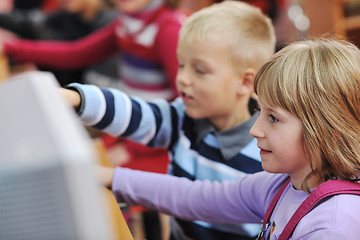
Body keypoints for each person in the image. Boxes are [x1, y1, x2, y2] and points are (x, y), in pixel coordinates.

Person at [67, 38, 360, 239]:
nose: (255, 130)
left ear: (325, 129)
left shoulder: (332, 227)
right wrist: (110, 178)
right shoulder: (283, 185)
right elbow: (194, 197)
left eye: (273, 118)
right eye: (260, 112)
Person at [61, 1, 276, 239]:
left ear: (245, 82)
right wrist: (76, 98)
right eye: (181, 65)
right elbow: (134, 112)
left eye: (200, 71)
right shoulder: (182, 117)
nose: (182, 78)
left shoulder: (265, 155)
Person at [1, 0, 185, 100]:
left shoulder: (168, 30)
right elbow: (75, 54)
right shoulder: (125, 24)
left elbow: (184, 100)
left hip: (154, 137)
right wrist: (9, 47)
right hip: (135, 123)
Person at [0, 0, 119, 86]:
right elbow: (29, 24)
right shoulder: (67, 15)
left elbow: (73, 55)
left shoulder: (109, 23)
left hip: (88, 99)